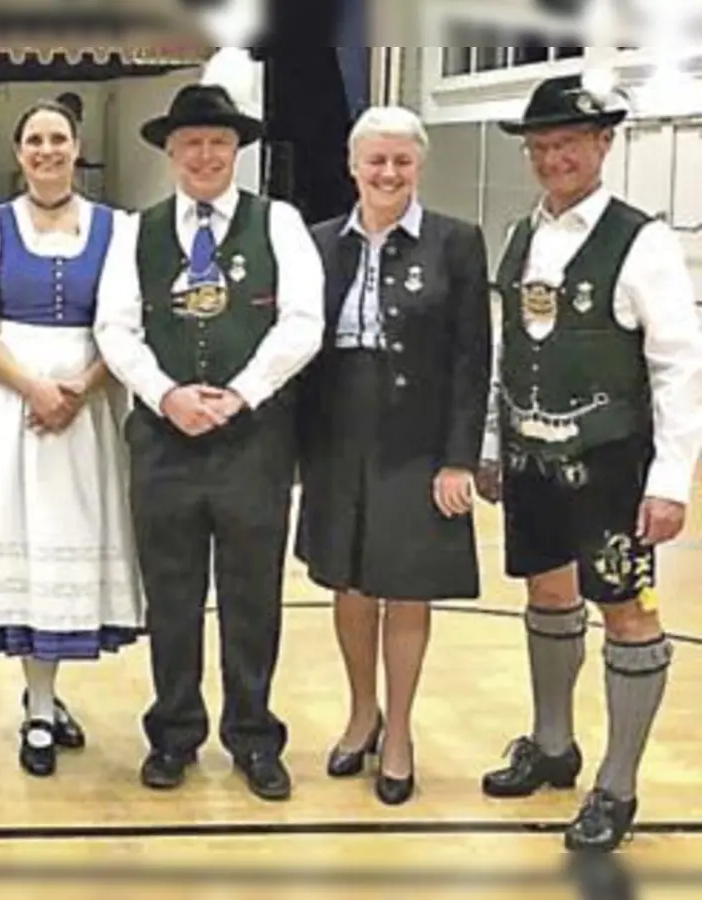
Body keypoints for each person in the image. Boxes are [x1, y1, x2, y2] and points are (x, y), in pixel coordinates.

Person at [475, 73, 702, 852]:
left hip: (612, 464)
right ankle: (552, 743)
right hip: (532, 457)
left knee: (627, 612)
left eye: (567, 143)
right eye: (539, 146)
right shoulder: (520, 233)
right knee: (546, 589)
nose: (551, 158)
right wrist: (491, 445)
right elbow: (508, 353)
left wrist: (672, 482)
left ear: (604, 143)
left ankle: (619, 785)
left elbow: (679, 367)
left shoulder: (643, 241)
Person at [93, 81, 324, 800]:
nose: (204, 154)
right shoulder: (138, 230)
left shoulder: (279, 222)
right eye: (190, 142)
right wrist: (166, 395)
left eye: (218, 142)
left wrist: (241, 393)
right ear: (170, 151)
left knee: (253, 595)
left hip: (252, 442)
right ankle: (174, 734)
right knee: (172, 595)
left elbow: (302, 322)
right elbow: (115, 328)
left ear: (237, 150)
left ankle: (254, 736)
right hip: (164, 444)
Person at [0, 99, 144, 777]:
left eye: (58, 139)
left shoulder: (118, 229)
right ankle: (38, 705)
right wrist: (35, 390)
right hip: (11, 403)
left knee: (69, 542)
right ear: (19, 153)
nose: (47, 150)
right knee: (27, 546)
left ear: (77, 147)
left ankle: (47, 699)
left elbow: (125, 330)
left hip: (89, 405)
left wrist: (80, 390)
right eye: (35, 140)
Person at [295, 105, 492, 806]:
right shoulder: (316, 243)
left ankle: (401, 730)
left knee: (407, 586)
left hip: (419, 441)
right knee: (350, 584)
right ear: (352, 166)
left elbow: (474, 359)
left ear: (420, 167)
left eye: (401, 161)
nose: (387, 173)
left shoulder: (457, 243)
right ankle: (361, 713)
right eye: (375, 160)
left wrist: (460, 459)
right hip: (335, 434)